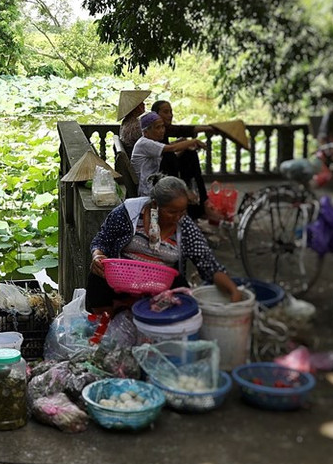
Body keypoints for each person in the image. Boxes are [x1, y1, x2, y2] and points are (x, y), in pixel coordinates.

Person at [87, 175, 242, 313]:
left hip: (159, 287)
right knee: (97, 277)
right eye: (172, 212)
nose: (178, 217)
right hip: (122, 282)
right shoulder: (129, 212)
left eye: (182, 211)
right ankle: (106, 321)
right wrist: (98, 255)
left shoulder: (185, 226)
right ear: (155, 204)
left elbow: (207, 263)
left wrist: (233, 290)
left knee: (184, 297)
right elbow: (102, 240)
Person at [150, 100, 210, 220]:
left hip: (164, 165)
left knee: (189, 155)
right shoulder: (151, 132)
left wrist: (207, 129)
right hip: (158, 174)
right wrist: (191, 142)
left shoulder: (160, 129)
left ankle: (199, 205)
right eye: (166, 112)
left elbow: (179, 131)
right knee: (190, 157)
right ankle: (196, 203)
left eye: (171, 112)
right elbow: (168, 150)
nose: (170, 115)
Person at [131, 112, 205, 197]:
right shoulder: (144, 143)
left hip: (153, 181)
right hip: (148, 189)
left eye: (163, 126)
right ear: (146, 132)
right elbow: (173, 148)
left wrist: (183, 143)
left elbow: (171, 148)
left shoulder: (150, 142)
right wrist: (193, 141)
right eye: (158, 128)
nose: (162, 130)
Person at [117, 90, 150, 155]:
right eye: (141, 103)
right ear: (136, 108)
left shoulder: (127, 121)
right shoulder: (136, 126)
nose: (144, 105)